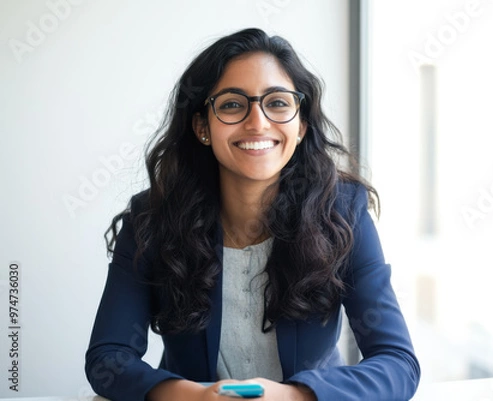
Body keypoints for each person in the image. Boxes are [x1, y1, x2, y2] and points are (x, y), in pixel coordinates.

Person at [85, 28, 420, 401]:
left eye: (277, 103)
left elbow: (397, 363)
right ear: (202, 127)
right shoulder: (152, 220)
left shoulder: (342, 213)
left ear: (301, 124)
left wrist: (294, 397)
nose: (258, 123)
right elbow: (108, 358)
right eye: (232, 104)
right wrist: (194, 397)